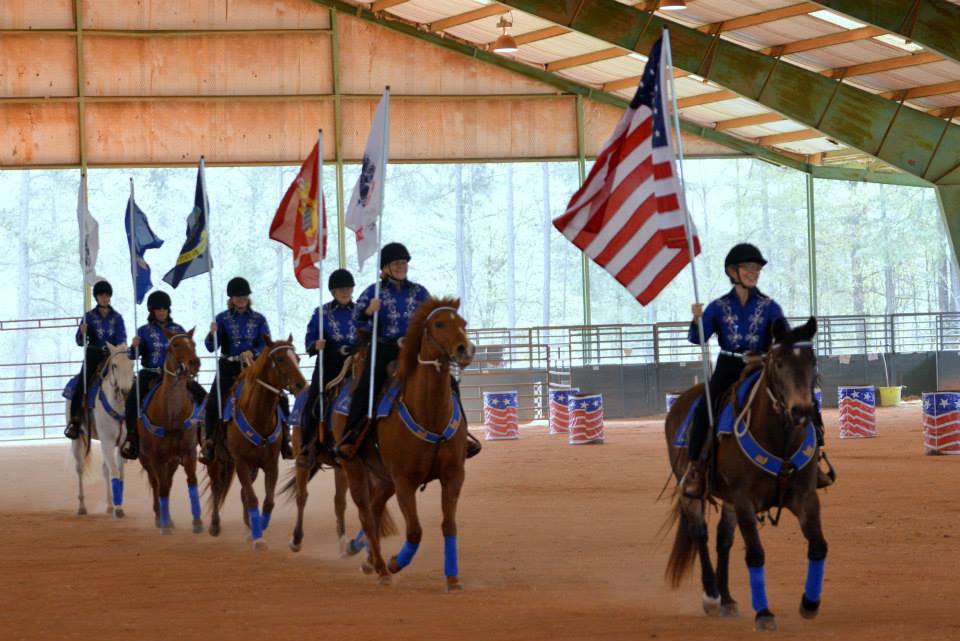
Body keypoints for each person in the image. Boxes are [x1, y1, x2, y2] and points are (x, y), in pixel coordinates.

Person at [682, 243, 787, 498]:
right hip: (728, 366)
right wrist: (696, 319)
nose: (754, 272)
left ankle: (813, 459)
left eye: (757, 268)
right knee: (703, 408)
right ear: (732, 271)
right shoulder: (717, 307)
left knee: (796, 400)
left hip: (760, 366)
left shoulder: (770, 306)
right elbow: (698, 338)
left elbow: (784, 334)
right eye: (748, 267)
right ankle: (697, 466)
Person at [338, 243, 430, 457]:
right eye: (396, 263)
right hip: (385, 348)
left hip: (415, 349)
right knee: (366, 387)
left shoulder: (419, 292)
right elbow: (356, 320)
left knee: (447, 378)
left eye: (404, 263)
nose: (401, 267)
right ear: (385, 268)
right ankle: (351, 435)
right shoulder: (373, 292)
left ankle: (459, 433)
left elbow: (431, 317)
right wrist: (369, 311)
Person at [202, 277, 291, 462]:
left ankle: (285, 438)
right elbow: (210, 347)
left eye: (244, 295)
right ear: (231, 299)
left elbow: (266, 343)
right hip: (229, 366)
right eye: (237, 296)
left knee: (280, 395)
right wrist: (212, 333)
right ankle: (209, 440)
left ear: (248, 296)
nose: (241, 298)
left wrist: (254, 351)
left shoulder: (259, 319)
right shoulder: (221, 318)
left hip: (254, 367)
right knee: (213, 401)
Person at [120, 291, 207, 460]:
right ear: (151, 311)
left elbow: (188, 353)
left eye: (164, 309)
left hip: (176, 375)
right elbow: (133, 356)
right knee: (132, 401)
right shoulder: (143, 331)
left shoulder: (178, 330)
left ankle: (205, 437)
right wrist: (134, 346)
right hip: (151, 373)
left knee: (203, 396)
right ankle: (132, 438)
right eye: (158, 309)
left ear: (168, 310)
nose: (161, 312)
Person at [296, 268, 358, 469]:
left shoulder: (361, 312)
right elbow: (309, 339)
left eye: (348, 288)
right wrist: (316, 345)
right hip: (329, 364)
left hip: (356, 364)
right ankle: (307, 446)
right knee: (314, 399)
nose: (345, 292)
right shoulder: (321, 313)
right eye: (341, 289)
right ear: (332, 291)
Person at [65, 280, 127, 440]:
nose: (104, 298)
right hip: (93, 355)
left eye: (106, 295)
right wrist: (82, 332)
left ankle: (132, 421)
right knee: (82, 383)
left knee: (128, 380)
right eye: (101, 295)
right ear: (96, 297)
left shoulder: (117, 318)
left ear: (110, 297)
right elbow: (79, 341)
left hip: (113, 356)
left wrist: (119, 351)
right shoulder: (89, 317)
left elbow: (122, 339)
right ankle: (75, 421)